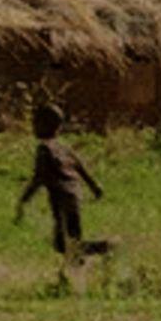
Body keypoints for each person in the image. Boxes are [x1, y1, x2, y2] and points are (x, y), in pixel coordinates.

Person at [17, 100, 109, 266]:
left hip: (62, 200)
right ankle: (79, 267)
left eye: (35, 123)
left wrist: (24, 199)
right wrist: (95, 187)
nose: (33, 127)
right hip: (73, 196)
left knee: (67, 244)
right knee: (67, 243)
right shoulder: (63, 148)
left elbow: (39, 178)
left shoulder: (44, 150)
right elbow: (80, 167)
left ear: (44, 125)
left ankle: (107, 247)